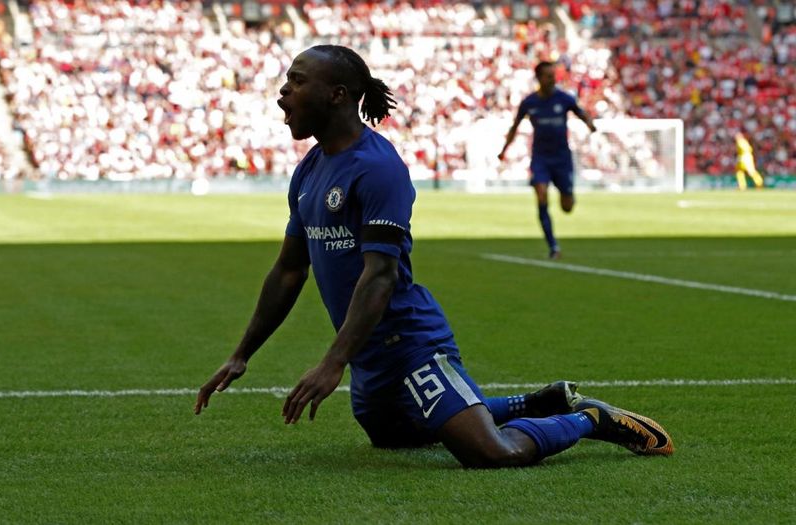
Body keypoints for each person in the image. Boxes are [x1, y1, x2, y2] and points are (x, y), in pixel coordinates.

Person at [194, 45, 673, 468]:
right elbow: (289, 269)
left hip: (409, 343)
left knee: (490, 452)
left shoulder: (378, 167)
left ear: (338, 94)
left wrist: (332, 361)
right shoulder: (310, 171)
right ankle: (539, 401)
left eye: (296, 81)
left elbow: (379, 277)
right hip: (369, 357)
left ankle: (587, 418)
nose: (283, 92)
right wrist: (241, 355)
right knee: (396, 438)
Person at [498, 61, 597, 259]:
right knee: (541, 195)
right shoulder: (530, 103)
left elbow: (580, 112)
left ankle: (568, 192)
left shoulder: (564, 98)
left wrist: (590, 124)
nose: (553, 79)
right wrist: (504, 150)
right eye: (549, 76)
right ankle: (553, 246)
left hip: (562, 158)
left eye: (554, 75)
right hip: (541, 158)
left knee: (567, 207)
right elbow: (515, 127)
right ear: (539, 78)